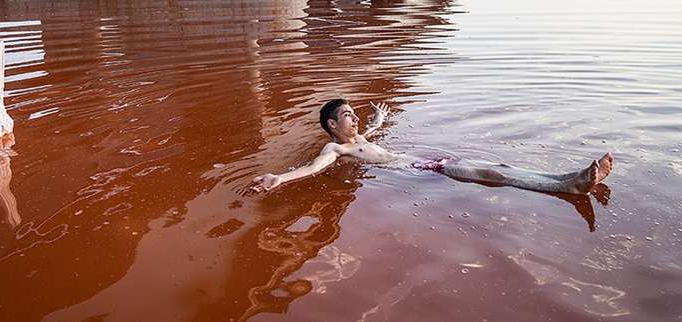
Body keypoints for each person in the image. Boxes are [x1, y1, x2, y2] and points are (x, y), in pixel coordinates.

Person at [250, 98, 613, 194]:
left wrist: (378, 121)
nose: (354, 118)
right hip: (423, 171)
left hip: (430, 162)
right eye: (348, 115)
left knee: (498, 167)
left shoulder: (358, 140)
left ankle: (568, 177)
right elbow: (314, 167)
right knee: (491, 174)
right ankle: (567, 187)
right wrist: (280, 179)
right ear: (332, 126)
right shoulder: (336, 150)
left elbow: (370, 138)